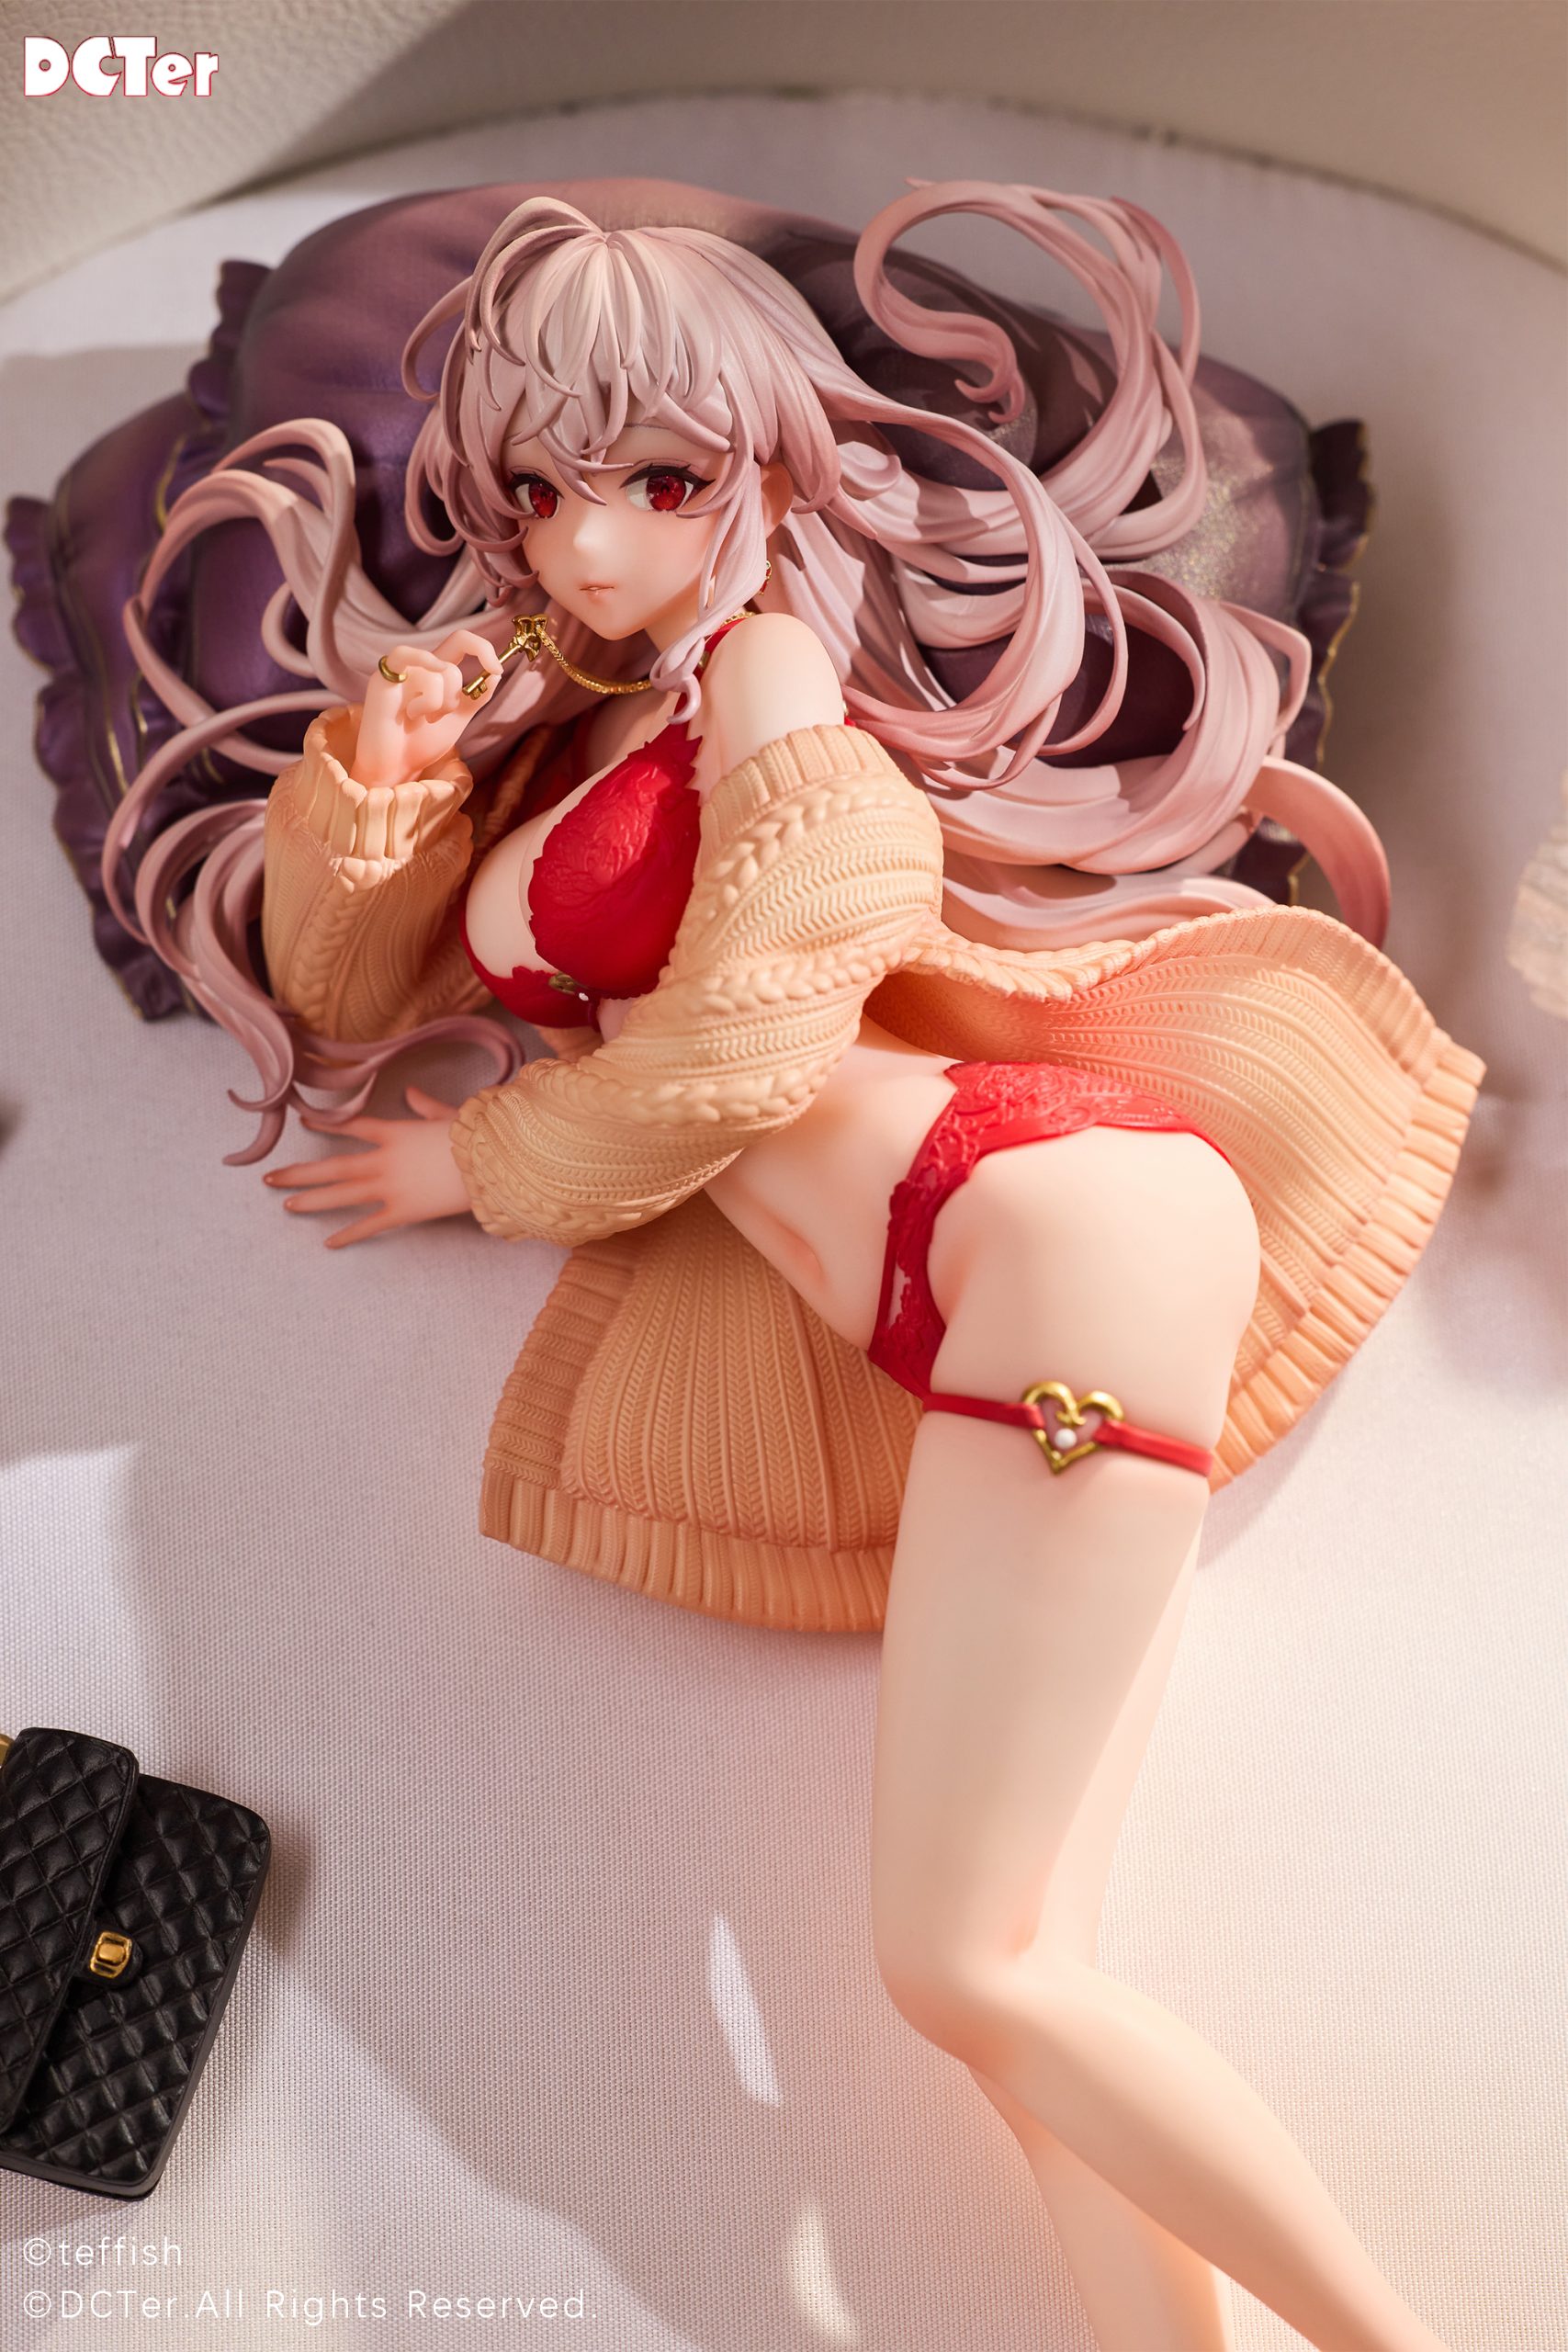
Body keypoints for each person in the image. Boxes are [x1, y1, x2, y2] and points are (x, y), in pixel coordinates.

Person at [102, 182, 1480, 2352]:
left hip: (1033, 1217)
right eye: (541, 489)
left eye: (657, 480)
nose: (588, 541)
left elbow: (752, 1026)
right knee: (1016, 1983)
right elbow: (353, 987)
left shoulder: (764, 672)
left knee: (957, 1964)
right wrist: (374, 776)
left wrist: (479, 1161)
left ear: (758, 461)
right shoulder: (566, 730)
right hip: (958, 1295)